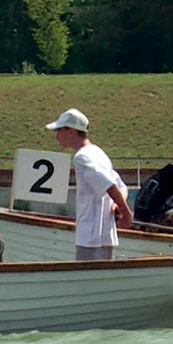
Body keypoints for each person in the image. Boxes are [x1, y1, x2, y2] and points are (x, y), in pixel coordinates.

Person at [46, 108, 132, 260]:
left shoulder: (82, 157)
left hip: (90, 236)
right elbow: (120, 186)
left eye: (59, 131)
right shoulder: (99, 153)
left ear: (71, 131)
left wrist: (126, 213)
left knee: (87, 279)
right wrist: (119, 204)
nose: (57, 136)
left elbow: (109, 186)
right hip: (106, 234)